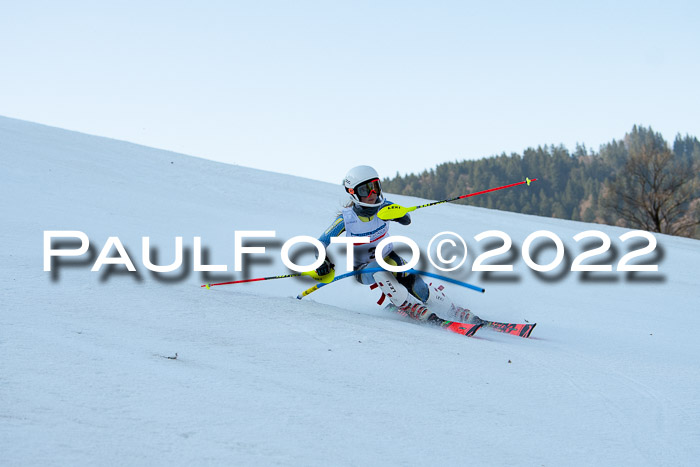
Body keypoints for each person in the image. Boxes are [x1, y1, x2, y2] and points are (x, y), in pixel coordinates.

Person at [314, 165, 455, 321]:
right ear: (353, 193)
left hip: (389, 257)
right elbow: (321, 242)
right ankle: (409, 306)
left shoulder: (384, 206)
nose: (372, 193)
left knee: (415, 282)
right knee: (380, 269)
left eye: (375, 186)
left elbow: (407, 219)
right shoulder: (347, 219)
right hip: (363, 269)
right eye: (365, 190)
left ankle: (450, 309)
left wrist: (398, 215)